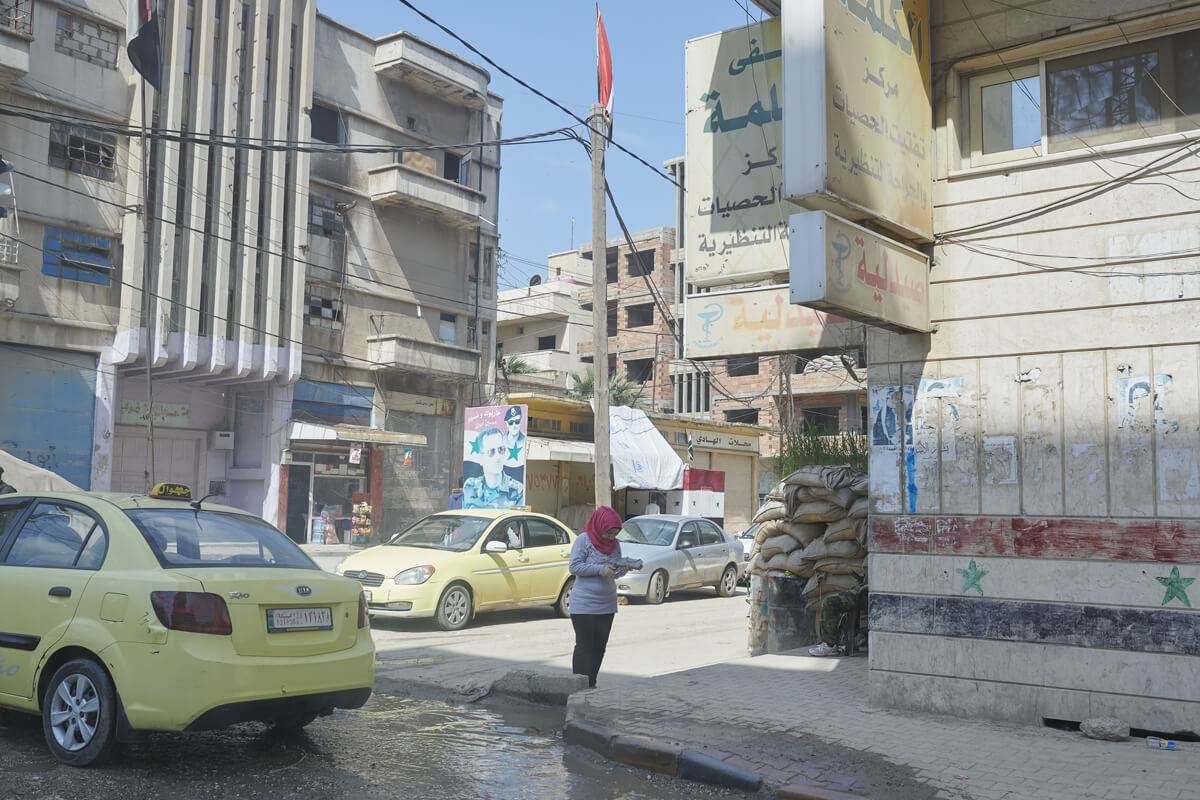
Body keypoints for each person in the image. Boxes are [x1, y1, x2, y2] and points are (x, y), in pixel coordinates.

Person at [568, 506, 642, 688]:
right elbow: (574, 567)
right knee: (584, 646)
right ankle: (578, 685)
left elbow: (614, 572)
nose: (611, 538)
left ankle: (591, 683)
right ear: (600, 526)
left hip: (606, 604)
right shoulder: (583, 540)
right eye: (608, 533)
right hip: (584, 603)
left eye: (615, 534)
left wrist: (621, 570)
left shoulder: (615, 545)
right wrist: (600, 569)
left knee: (599, 646)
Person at [462, 427, 524, 509]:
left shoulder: (517, 491)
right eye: (491, 452)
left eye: (501, 449)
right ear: (481, 458)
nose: (497, 456)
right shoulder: (470, 486)